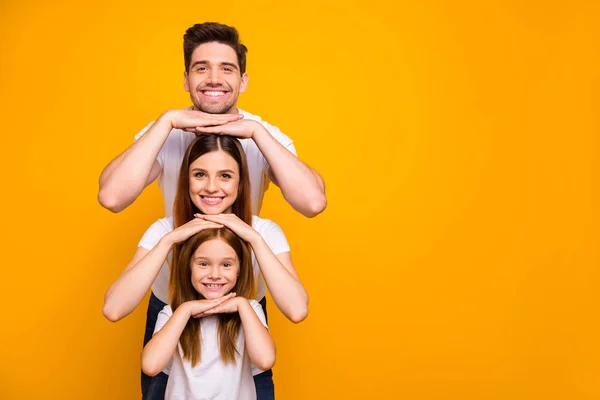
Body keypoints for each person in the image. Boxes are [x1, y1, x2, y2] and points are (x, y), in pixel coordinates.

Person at [103, 134, 308, 399]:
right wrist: (170, 241)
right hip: (178, 336)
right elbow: (113, 308)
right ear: (185, 179)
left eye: (225, 176)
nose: (212, 187)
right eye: (200, 174)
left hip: (241, 336)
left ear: (241, 182)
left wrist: (253, 237)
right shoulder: (164, 230)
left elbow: (297, 309)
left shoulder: (264, 231)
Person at [97, 22, 326, 219]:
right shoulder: (165, 130)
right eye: (202, 68)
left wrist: (257, 133)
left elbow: (312, 204)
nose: (214, 79)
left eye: (226, 69)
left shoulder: (263, 133)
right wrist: (167, 120)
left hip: (240, 269)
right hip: (177, 269)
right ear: (186, 80)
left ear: (243, 82)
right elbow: (112, 198)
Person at [141, 227, 276, 400]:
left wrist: (242, 304)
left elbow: (265, 360)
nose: (214, 275)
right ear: (189, 267)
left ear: (239, 269)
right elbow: (150, 366)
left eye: (226, 265)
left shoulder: (250, 309)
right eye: (203, 264)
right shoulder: (173, 312)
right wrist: (185, 310)